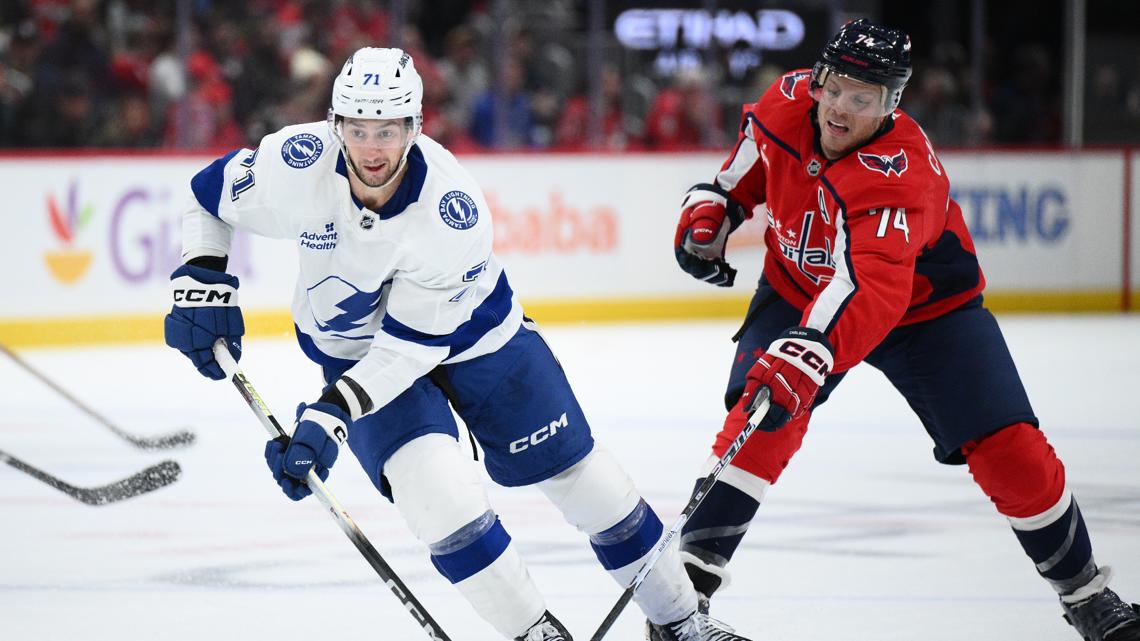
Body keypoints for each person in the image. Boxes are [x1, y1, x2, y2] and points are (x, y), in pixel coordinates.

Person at [163, 47, 751, 641]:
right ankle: (533, 632)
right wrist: (203, 278)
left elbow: (411, 348)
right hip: (357, 355)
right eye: (358, 129)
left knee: (586, 481)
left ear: (415, 128)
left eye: (388, 131)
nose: (371, 149)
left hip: (478, 338)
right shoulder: (298, 162)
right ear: (336, 124)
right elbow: (205, 197)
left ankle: (680, 622)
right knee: (439, 498)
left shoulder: (452, 212)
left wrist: (333, 414)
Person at [669, 19, 1140, 641]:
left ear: (891, 103)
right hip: (798, 289)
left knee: (1010, 446)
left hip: (923, 311)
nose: (839, 108)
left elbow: (875, 290)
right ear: (817, 78)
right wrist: (712, 210)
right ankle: (679, 609)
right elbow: (737, 178)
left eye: (862, 99)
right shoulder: (786, 102)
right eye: (834, 87)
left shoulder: (900, 173)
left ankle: (1088, 596)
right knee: (760, 417)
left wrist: (812, 350)